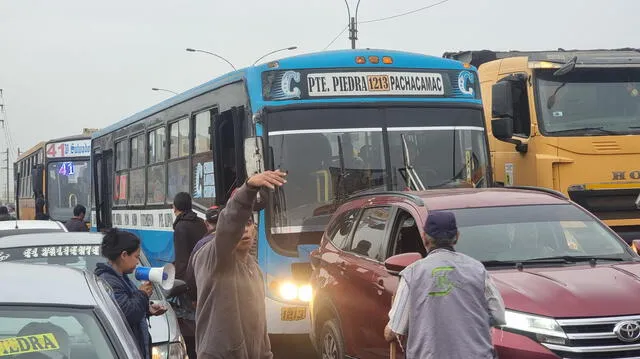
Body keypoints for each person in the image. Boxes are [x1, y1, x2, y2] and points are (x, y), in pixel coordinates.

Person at [384, 210, 506, 359]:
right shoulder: (478, 270)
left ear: (424, 238)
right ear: (457, 237)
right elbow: (498, 315)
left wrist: (388, 332)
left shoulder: (412, 274)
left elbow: (394, 331)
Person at [192, 169, 286, 359]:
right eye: (240, 226)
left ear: (254, 228)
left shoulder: (254, 269)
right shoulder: (215, 258)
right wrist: (249, 188)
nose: (244, 231)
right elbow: (230, 223)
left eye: (249, 224)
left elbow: (260, 326)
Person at [95, 228, 167, 359]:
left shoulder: (120, 277)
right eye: (136, 256)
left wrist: (147, 309)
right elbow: (127, 313)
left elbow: (124, 306)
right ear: (123, 255)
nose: (137, 262)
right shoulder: (109, 281)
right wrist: (142, 294)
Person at [172, 192, 207, 282]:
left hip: (190, 279)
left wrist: (179, 282)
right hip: (203, 273)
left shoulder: (180, 227)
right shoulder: (201, 222)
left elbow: (182, 260)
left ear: (175, 208)